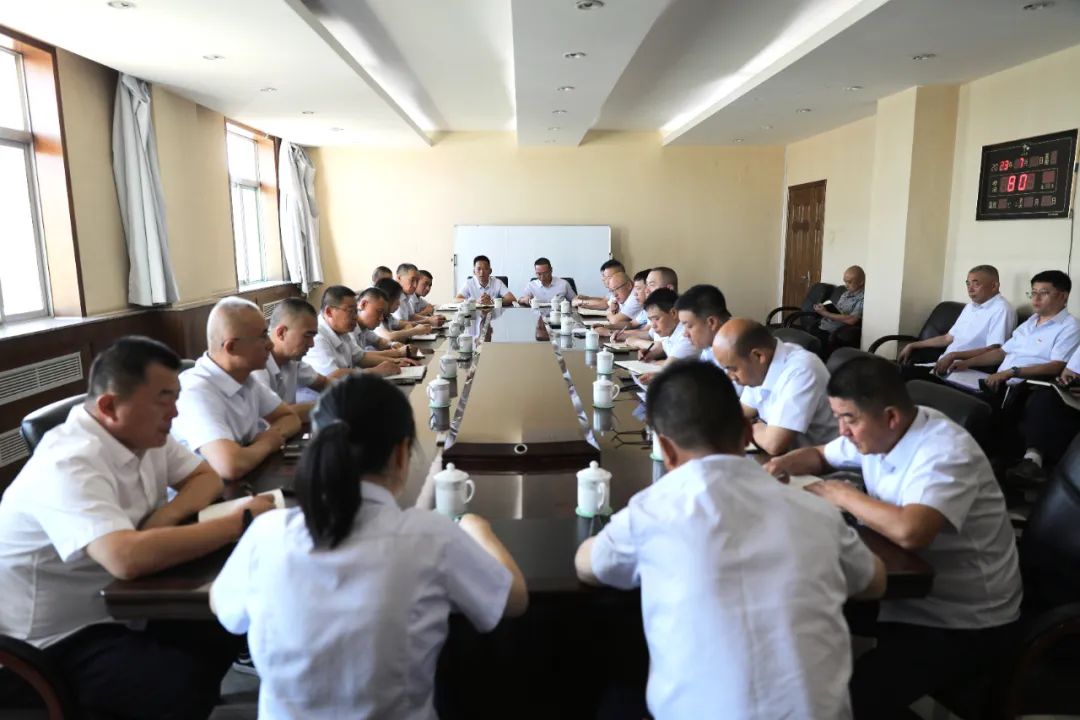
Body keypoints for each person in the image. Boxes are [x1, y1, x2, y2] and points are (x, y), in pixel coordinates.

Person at [574, 361, 886, 720]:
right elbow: (874, 582)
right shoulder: (816, 513)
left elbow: (588, 566)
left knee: (614, 688)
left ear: (667, 450)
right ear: (746, 432)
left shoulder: (651, 513)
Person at [211, 374, 528, 718]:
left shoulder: (268, 533)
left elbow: (224, 609)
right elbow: (513, 600)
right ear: (401, 454)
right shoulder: (431, 537)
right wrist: (478, 527)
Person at [0, 336, 274, 718]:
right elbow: (125, 559)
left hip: (124, 603)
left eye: (176, 398)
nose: (175, 412)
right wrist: (238, 521)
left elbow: (206, 477)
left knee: (226, 620)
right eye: (164, 399)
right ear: (109, 406)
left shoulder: (144, 434)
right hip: (56, 639)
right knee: (179, 682)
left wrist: (163, 519)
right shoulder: (67, 461)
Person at [764, 356, 1022, 718]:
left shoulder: (944, 451)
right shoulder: (876, 432)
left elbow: (911, 532)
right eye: (837, 417)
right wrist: (781, 465)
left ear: (890, 417)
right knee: (794, 624)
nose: (842, 431)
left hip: (963, 619)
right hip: (901, 592)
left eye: (848, 419)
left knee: (843, 701)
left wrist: (842, 495)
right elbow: (821, 455)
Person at [171, 297, 302, 481]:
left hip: (243, 479)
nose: (270, 344)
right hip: (203, 494)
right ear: (232, 347)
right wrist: (267, 442)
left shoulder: (245, 377)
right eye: (262, 336)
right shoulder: (196, 391)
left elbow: (290, 418)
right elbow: (230, 465)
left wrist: (255, 448)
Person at [713, 318, 837, 454]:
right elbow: (740, 412)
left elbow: (773, 444)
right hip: (789, 457)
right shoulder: (761, 366)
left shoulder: (802, 369)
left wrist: (753, 426)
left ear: (758, 356)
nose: (731, 376)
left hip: (823, 463)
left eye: (733, 369)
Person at [946, 270, 1080, 391]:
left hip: (1025, 388)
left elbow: (1057, 366)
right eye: (1034, 292)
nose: (1036, 298)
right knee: (948, 385)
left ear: (1063, 296)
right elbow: (1002, 352)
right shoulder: (1030, 322)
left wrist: (1013, 372)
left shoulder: (1070, 326)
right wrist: (966, 363)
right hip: (997, 382)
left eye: (1043, 293)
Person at [898, 265, 1017, 373]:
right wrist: (913, 345)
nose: (970, 289)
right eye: (968, 284)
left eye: (976, 284)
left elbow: (994, 350)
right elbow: (947, 338)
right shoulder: (971, 306)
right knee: (895, 369)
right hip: (945, 361)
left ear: (994, 286)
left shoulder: (1002, 309)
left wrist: (954, 355)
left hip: (966, 368)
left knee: (902, 376)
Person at [252, 298, 332, 422]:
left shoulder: (292, 360)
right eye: (307, 336)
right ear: (281, 333)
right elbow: (275, 416)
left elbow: (324, 383)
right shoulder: (255, 366)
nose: (312, 344)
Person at [302, 285, 402, 384]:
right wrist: (375, 371)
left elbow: (361, 357)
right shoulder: (316, 336)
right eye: (350, 311)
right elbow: (332, 376)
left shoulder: (342, 330)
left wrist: (395, 362)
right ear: (329, 312)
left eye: (356, 311)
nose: (355, 317)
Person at [674, 283, 731, 366]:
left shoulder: (738, 353)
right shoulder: (709, 347)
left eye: (689, 326)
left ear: (712, 322)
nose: (685, 334)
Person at [814, 265, 865, 351]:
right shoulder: (846, 294)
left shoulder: (864, 297)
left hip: (837, 329)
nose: (846, 285)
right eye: (845, 282)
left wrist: (826, 313)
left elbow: (852, 320)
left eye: (849, 282)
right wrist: (824, 308)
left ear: (861, 282)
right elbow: (837, 310)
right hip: (826, 324)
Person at [374, 277, 433, 343]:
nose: (399, 303)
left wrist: (421, 326)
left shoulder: (388, 316)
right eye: (397, 299)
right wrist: (415, 331)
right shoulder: (376, 318)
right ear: (388, 299)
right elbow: (389, 337)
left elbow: (406, 324)